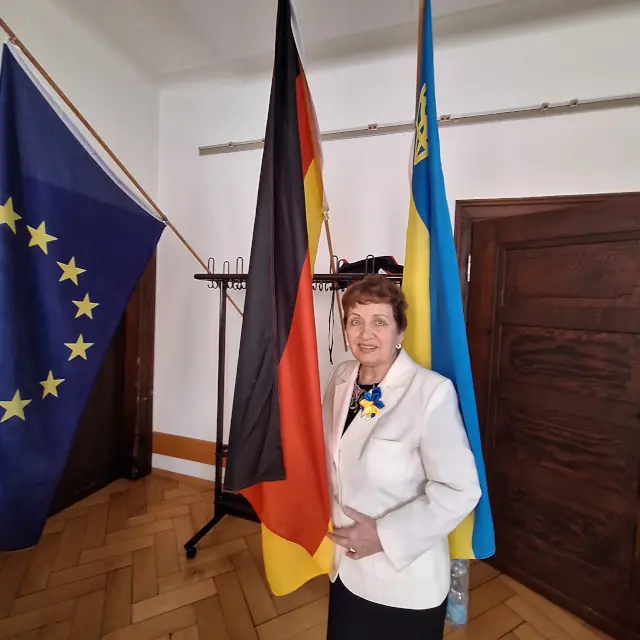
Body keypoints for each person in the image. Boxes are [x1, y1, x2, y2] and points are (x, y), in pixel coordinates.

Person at [323, 274, 481, 640]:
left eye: (379, 322)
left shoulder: (431, 392)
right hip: (344, 567)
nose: (366, 333)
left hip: (403, 580)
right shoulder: (341, 377)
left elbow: (460, 490)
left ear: (400, 332)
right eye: (355, 321)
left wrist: (383, 536)